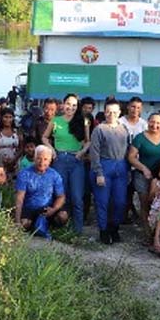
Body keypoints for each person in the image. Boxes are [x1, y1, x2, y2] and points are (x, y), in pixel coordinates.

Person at [42, 94, 89, 234]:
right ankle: (59, 226)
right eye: (68, 104)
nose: (71, 107)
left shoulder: (83, 121)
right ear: (63, 104)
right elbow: (44, 137)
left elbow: (88, 141)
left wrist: (82, 152)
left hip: (76, 160)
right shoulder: (56, 121)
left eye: (74, 105)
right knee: (61, 195)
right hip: (60, 159)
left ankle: (78, 231)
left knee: (77, 196)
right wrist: (52, 150)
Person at [128, 112, 160, 243]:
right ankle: (148, 232)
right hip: (143, 175)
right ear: (147, 122)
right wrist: (143, 168)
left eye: (158, 122)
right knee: (145, 203)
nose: (155, 125)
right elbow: (131, 157)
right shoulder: (139, 138)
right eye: (152, 122)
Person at [89, 98, 130, 244]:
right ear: (104, 112)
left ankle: (114, 227)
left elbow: (128, 150)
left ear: (119, 113)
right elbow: (94, 152)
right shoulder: (99, 129)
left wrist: (127, 169)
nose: (111, 114)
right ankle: (103, 230)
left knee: (119, 201)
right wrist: (99, 173)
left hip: (120, 167)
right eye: (108, 112)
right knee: (102, 201)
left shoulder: (124, 128)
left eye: (114, 112)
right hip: (104, 165)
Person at [14, 145, 68, 232]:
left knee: (63, 216)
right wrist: (17, 221)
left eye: (45, 159)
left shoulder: (55, 175)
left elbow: (61, 197)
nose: (42, 162)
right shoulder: (24, 174)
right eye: (39, 158)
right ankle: (35, 227)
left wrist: (53, 209)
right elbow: (19, 198)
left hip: (48, 208)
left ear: (50, 161)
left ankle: (50, 227)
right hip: (30, 207)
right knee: (24, 224)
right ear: (34, 159)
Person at [0, 107, 22, 174]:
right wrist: (2, 160)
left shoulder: (17, 131)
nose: (8, 119)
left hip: (15, 163)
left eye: (10, 117)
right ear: (1, 118)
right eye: (5, 117)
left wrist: (14, 160)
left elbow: (21, 148)